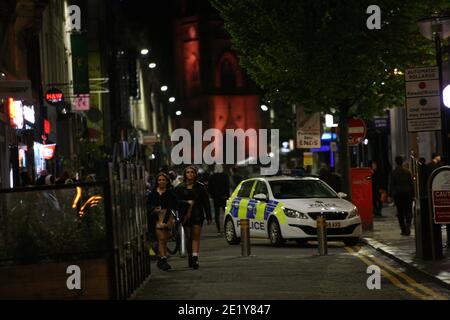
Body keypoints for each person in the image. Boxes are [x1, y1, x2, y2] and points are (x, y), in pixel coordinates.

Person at [174, 166, 212, 269]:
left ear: (195, 174)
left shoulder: (201, 187)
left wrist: (209, 216)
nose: (190, 174)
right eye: (188, 172)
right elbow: (175, 202)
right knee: (188, 237)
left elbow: (206, 202)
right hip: (185, 215)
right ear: (185, 174)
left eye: (192, 172)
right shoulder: (179, 188)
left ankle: (195, 258)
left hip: (198, 214)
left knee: (196, 236)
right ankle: (190, 256)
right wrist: (186, 203)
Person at [147, 172, 178, 271]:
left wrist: (166, 220)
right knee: (161, 239)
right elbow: (148, 205)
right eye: (159, 180)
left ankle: (161, 259)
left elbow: (173, 206)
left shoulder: (170, 193)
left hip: (167, 218)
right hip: (155, 219)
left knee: (164, 239)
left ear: (167, 181)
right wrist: (153, 209)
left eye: (163, 180)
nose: (161, 181)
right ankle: (163, 259)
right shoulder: (152, 194)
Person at [388, 156, 415, 236]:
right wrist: (413, 194)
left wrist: (390, 194)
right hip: (408, 194)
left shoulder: (393, 172)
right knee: (408, 211)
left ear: (396, 162)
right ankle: (408, 226)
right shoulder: (408, 171)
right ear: (402, 162)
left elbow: (391, 184)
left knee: (400, 212)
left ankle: (403, 229)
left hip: (398, 194)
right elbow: (411, 184)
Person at [208, 164, 230, 234]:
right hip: (224, 197)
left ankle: (218, 229)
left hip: (216, 198)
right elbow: (227, 186)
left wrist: (212, 195)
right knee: (226, 213)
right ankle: (227, 227)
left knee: (216, 214)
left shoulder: (212, 177)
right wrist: (228, 196)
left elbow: (210, 188)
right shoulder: (225, 176)